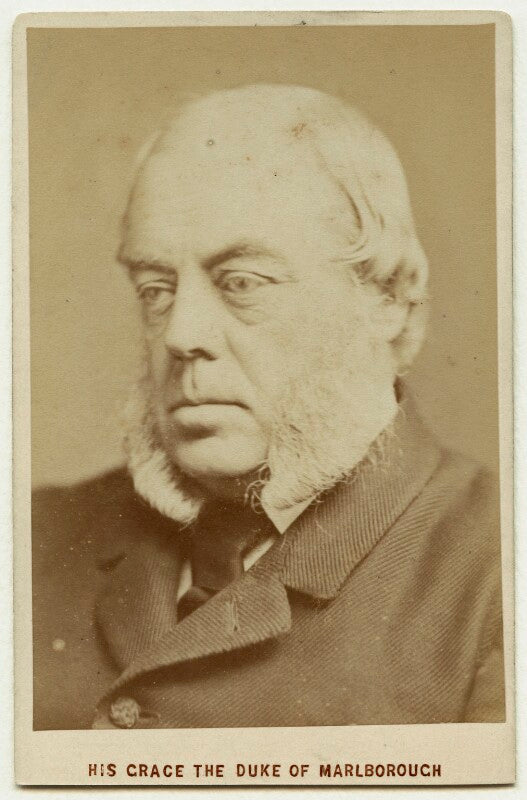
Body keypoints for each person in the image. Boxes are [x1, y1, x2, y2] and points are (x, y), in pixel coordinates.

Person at [32, 83, 505, 730]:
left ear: (390, 296)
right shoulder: (32, 538)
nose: (180, 335)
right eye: (156, 289)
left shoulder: (498, 573)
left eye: (242, 283)